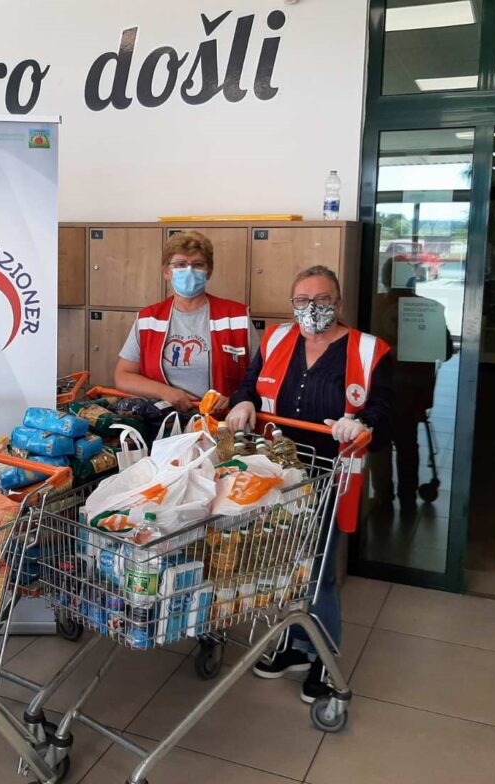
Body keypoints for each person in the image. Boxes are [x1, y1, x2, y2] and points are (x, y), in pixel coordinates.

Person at [225, 264, 393, 704]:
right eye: (302, 300)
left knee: (318, 570)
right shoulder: (277, 340)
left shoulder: (369, 350)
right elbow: (249, 385)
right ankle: (295, 645)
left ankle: (324, 655)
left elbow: (384, 408)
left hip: (330, 474)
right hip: (275, 474)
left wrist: (360, 423)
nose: (312, 308)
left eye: (321, 300)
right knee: (283, 561)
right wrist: (242, 403)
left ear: (338, 303)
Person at [115, 231, 255, 412]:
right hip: (162, 419)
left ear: (209, 272)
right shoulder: (149, 319)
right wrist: (165, 392)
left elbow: (262, 376)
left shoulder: (237, 317)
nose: (189, 271)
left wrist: (236, 399)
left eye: (198, 264)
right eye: (180, 264)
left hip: (222, 421)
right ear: (167, 272)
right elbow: (123, 376)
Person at [370, 259, 453, 516]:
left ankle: (384, 499)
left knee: (380, 445)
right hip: (414, 390)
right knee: (408, 444)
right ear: (412, 280)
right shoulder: (428, 308)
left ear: (385, 279)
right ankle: (408, 499)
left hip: (381, 389)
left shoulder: (372, 305)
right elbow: (446, 351)